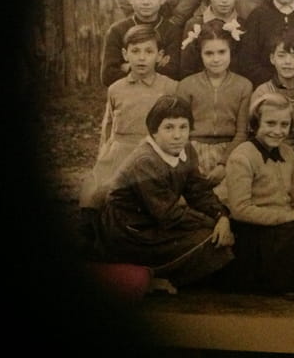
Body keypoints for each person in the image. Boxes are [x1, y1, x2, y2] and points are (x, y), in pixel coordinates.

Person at [95, 95, 235, 289]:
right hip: (131, 232)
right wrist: (213, 223)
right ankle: (152, 276)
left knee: (222, 232)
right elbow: (168, 214)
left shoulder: (186, 149)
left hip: (156, 220)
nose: (177, 135)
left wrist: (221, 216)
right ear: (154, 131)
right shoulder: (146, 161)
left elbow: (198, 191)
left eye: (183, 127)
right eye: (169, 128)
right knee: (210, 238)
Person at [219, 93, 294, 295]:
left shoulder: (289, 154)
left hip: (282, 227)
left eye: (284, 125)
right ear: (256, 124)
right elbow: (240, 210)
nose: (278, 131)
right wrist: (285, 217)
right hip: (253, 229)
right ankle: (280, 283)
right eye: (270, 123)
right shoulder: (242, 156)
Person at [79, 25, 179, 238]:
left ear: (159, 55)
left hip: (153, 154)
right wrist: (103, 155)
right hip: (119, 152)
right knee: (95, 193)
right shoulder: (116, 89)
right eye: (135, 51)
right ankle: (94, 239)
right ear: (125, 54)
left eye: (148, 51)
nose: (142, 58)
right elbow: (108, 126)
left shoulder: (171, 88)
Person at [175, 26, 252, 190]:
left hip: (230, 151)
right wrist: (191, 162)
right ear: (200, 54)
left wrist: (224, 164)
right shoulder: (186, 86)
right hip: (192, 151)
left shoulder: (244, 86)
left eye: (222, 52)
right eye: (209, 53)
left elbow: (241, 133)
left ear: (231, 51)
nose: (216, 59)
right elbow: (180, 129)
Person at [101, 0, 181, 87]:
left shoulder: (172, 31)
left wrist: (128, 67)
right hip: (127, 93)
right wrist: (155, 66)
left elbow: (173, 73)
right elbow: (108, 76)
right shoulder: (117, 31)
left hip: (161, 94)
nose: (146, 2)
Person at [250, 28, 294, 154]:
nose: (287, 62)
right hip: (269, 155)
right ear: (272, 58)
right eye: (281, 55)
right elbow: (255, 133)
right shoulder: (263, 92)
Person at [180, 0, 246, 79]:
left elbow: (246, 67)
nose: (224, 0)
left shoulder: (244, 26)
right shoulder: (194, 25)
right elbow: (187, 69)